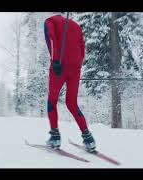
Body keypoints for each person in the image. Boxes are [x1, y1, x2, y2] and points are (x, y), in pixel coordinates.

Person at [43, 12, 96, 152]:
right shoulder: (76, 25)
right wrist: (77, 64)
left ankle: (55, 137)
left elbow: (51, 39)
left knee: (52, 101)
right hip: (76, 68)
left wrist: (55, 61)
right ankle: (88, 139)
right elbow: (82, 48)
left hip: (58, 66)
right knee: (72, 103)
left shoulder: (50, 21)